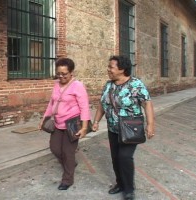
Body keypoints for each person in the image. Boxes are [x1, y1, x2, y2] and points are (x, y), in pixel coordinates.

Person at [92, 55, 155, 200]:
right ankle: (120, 183)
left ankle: (129, 189)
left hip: (130, 128)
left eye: (111, 67)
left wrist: (150, 125)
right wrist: (96, 121)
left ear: (122, 69)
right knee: (115, 158)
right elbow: (102, 104)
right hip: (113, 128)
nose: (108, 70)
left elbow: (147, 103)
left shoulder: (136, 85)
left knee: (125, 157)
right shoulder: (108, 85)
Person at [39, 58, 91, 190]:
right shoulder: (56, 84)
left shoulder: (78, 86)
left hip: (72, 123)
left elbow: (84, 107)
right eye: (59, 73)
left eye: (64, 74)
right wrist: (44, 119)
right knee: (55, 148)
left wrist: (84, 127)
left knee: (68, 152)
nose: (61, 76)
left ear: (71, 72)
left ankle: (67, 179)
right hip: (57, 122)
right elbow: (52, 103)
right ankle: (71, 164)